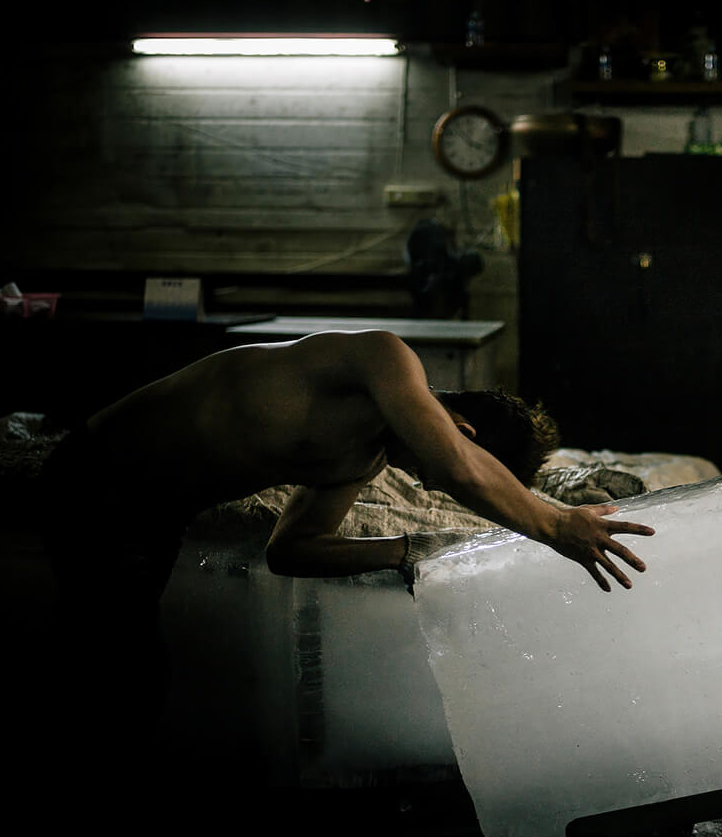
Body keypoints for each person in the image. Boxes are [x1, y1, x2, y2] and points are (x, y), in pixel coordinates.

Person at [36, 328, 655, 769]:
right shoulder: (381, 359)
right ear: (460, 431)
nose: (429, 483)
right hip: (100, 476)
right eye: (440, 468)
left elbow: (296, 550)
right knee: (121, 672)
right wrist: (554, 525)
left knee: (115, 665)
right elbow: (462, 470)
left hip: (151, 513)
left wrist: (413, 547)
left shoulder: (358, 457)